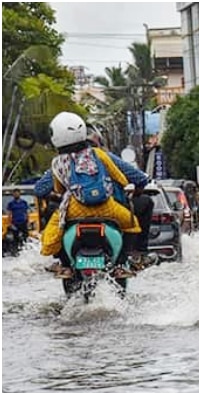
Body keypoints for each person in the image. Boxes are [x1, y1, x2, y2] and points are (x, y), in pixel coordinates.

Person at [40, 112, 141, 279]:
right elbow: (121, 178)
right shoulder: (99, 154)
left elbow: (57, 189)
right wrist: (126, 186)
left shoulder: (58, 163)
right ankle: (121, 265)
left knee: (53, 234)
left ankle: (65, 266)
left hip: (73, 210)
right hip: (107, 208)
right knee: (133, 225)